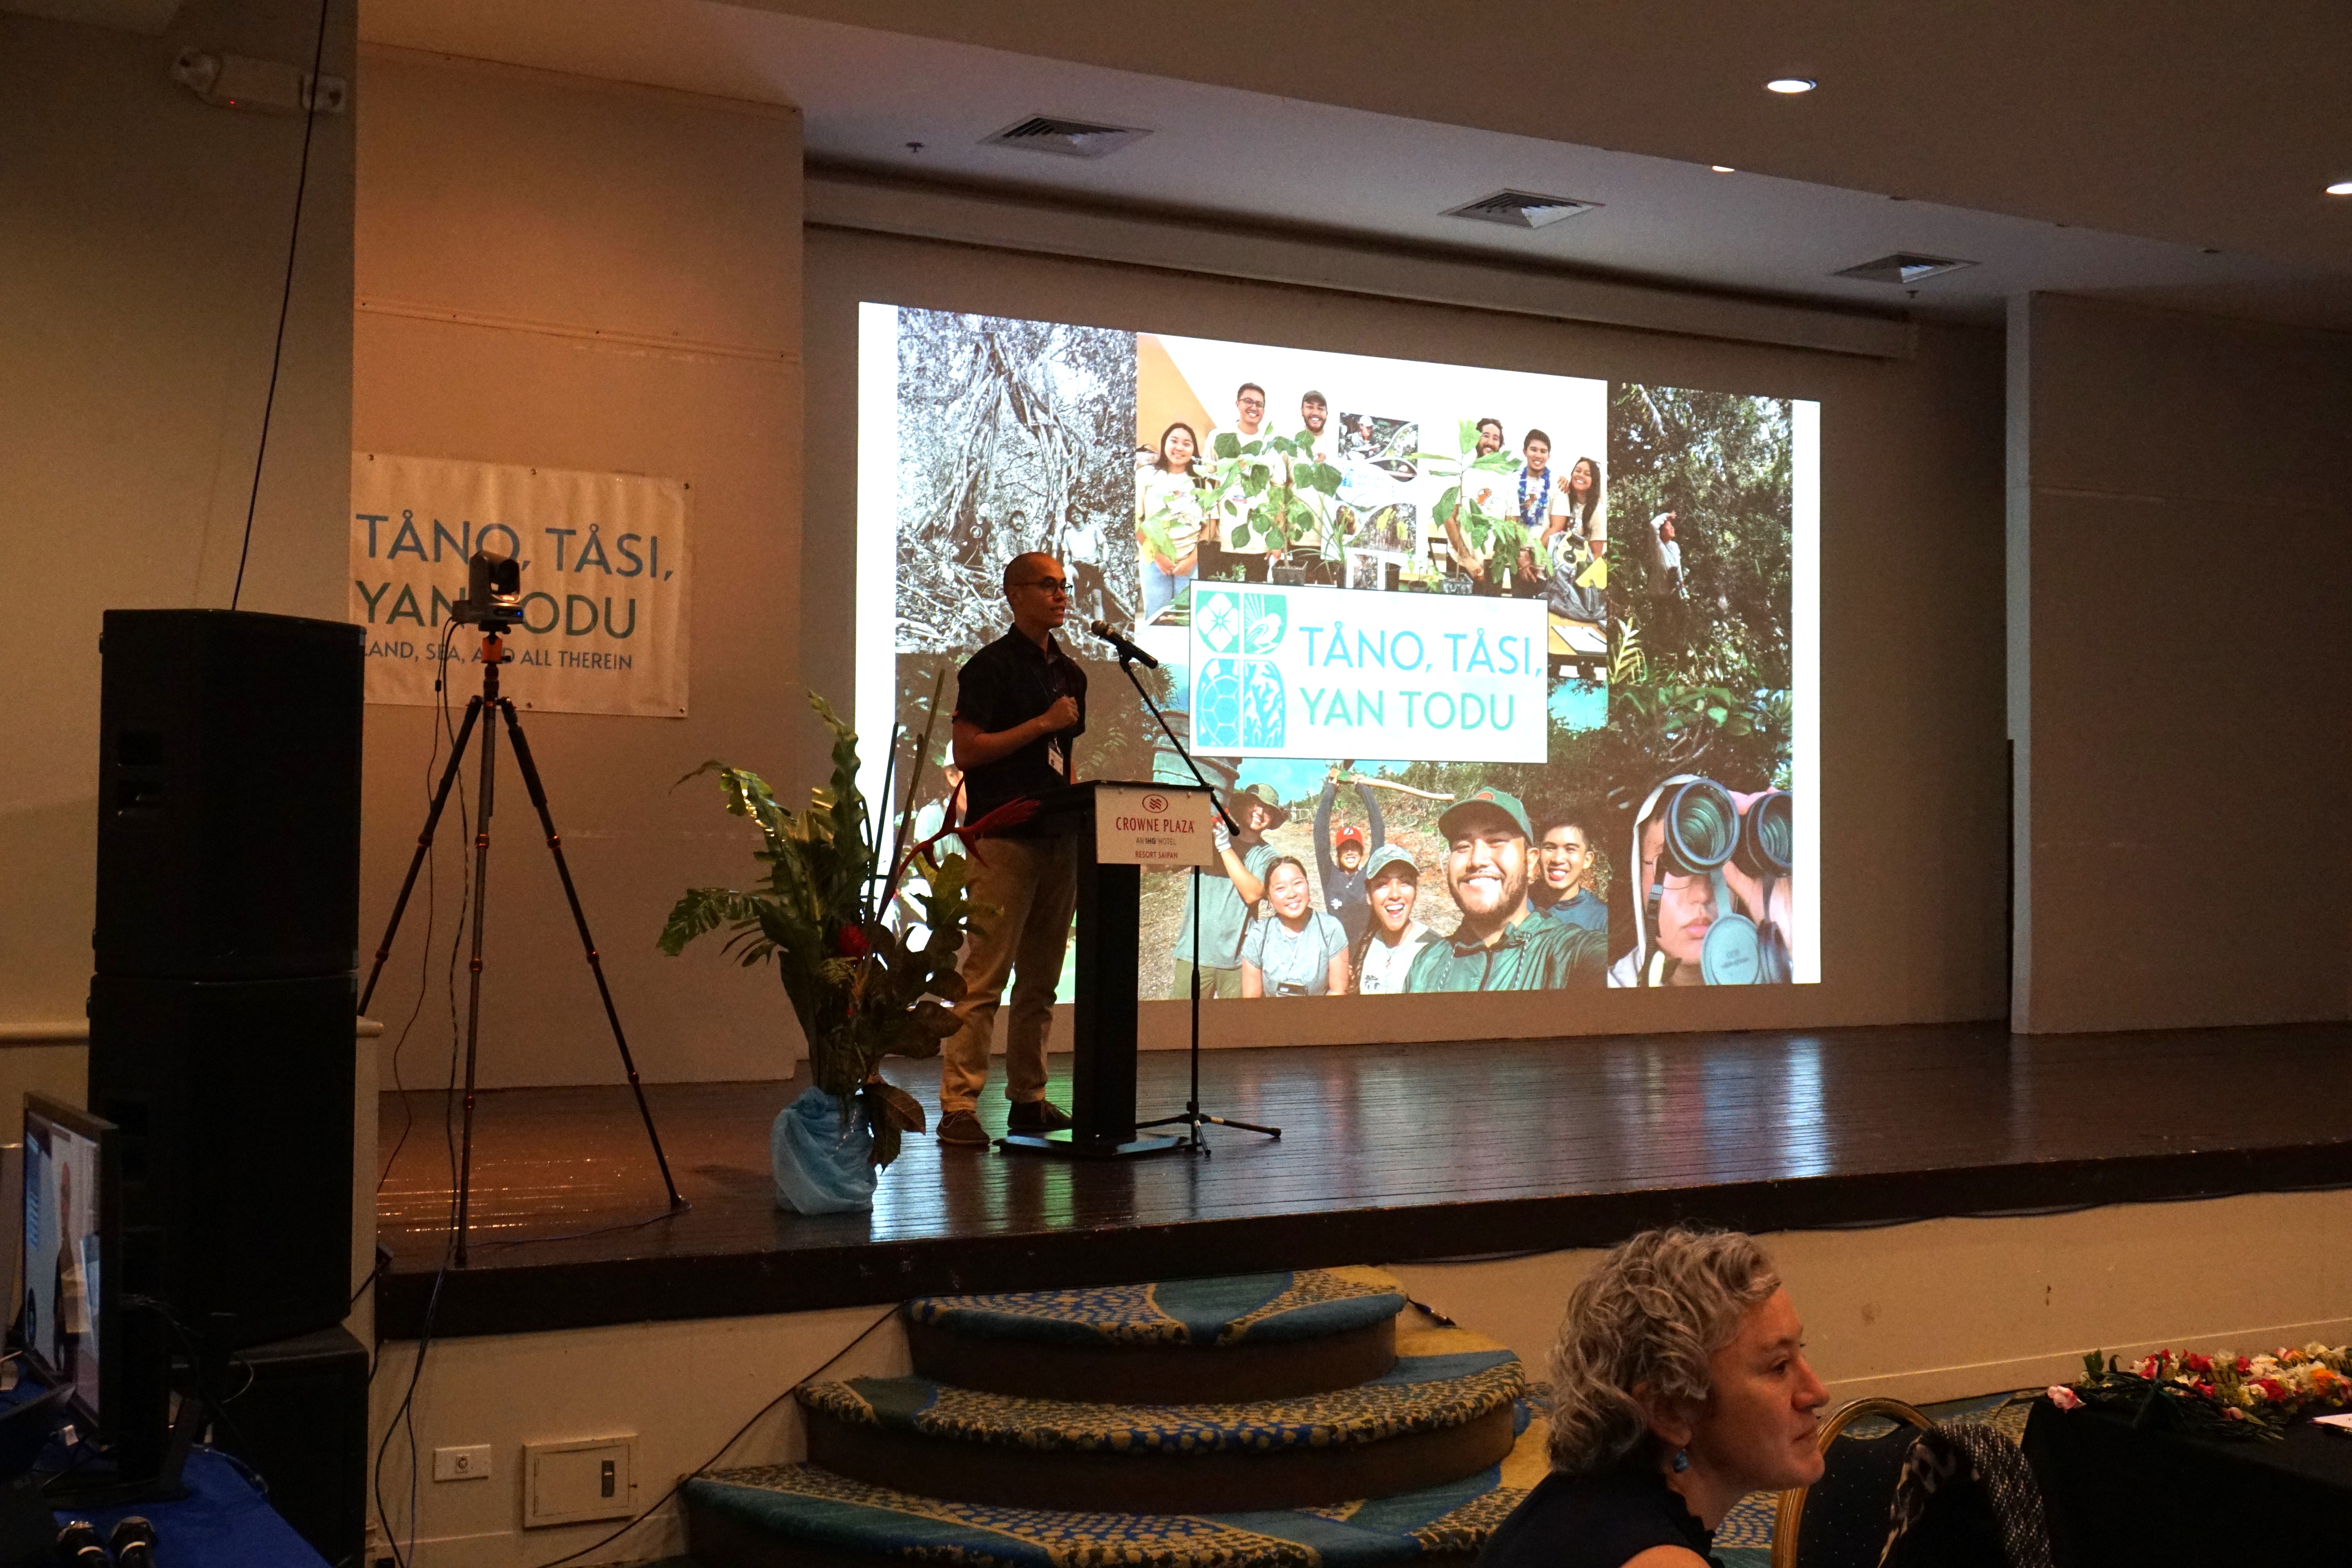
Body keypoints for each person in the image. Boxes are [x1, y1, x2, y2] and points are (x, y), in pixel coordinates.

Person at [1479, 1227, 1828, 1568]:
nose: (1817, 1393)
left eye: (1802, 1351)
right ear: (1670, 1412)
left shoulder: (1581, 1502)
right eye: (1779, 1367)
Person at [935, 553, 1087, 1147]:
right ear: (1015, 594)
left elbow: (1063, 758)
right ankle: (959, 1106)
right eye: (1047, 586)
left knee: (1043, 982)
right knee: (984, 978)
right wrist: (1042, 723)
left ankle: (1030, 1099)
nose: (1060, 595)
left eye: (1064, 586)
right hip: (1003, 839)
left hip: (1058, 838)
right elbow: (968, 752)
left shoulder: (1072, 673)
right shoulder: (989, 668)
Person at [1404, 787, 1605, 990]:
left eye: (1496, 842)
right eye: (1463, 846)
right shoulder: (1426, 965)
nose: (1476, 860)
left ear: (1531, 860)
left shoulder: (1567, 953)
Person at [1608, 786, 1793, 988]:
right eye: (1673, 863)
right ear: (1637, 877)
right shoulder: (1608, 993)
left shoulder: (1793, 973)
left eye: (1718, 862)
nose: (1703, 894)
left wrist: (1795, 941)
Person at [1170, 782, 1284, 999]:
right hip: (1194, 951)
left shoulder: (1268, 855)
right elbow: (1166, 864)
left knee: (1234, 1027)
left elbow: (1253, 893)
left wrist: (1224, 846)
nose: (1260, 812)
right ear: (1241, 807)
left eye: (1268, 810)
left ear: (1272, 820)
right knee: (1180, 1023)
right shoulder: (1208, 838)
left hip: (1238, 959)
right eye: (1254, 804)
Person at [1241, 856, 1350, 996]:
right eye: (1280, 888)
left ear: (1308, 885)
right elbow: (1251, 1000)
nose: (1292, 894)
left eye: (1298, 883)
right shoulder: (1258, 936)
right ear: (1269, 896)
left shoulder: (1331, 929)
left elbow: (1338, 991)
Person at [1136, 421, 1211, 620]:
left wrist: (1191, 561)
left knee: (1185, 621)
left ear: (1194, 450)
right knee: (1156, 619)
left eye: (1187, 444)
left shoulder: (1201, 481)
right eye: (1174, 441)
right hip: (1154, 560)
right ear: (1165, 443)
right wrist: (1159, 558)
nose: (1179, 448)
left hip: (1190, 562)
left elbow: (1209, 527)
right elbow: (1136, 521)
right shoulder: (1146, 475)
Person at [1350, 844, 1438, 995]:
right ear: (1368, 896)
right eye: (1383, 885)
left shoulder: (1435, 951)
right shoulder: (1364, 947)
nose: (1395, 895)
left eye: (1405, 883)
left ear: (1415, 891)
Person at [1212, 382, 1277, 583]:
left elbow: (1278, 490)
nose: (1254, 408)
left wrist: (1275, 540)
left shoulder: (1271, 444)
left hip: (1259, 542)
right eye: (1248, 401)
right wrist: (1208, 534)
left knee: (1253, 605)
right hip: (1223, 540)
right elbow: (1208, 483)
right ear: (1238, 404)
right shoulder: (1219, 437)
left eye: (1259, 404)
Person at [1313, 769, 1388, 944]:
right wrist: (1331, 790)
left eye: (1355, 847)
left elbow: (1379, 829)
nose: (1350, 852)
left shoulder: (1370, 874)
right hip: (1339, 954)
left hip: (1367, 954)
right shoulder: (1330, 876)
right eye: (1345, 848)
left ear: (1362, 852)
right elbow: (1320, 833)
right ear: (1338, 854)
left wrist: (1363, 790)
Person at [1545, 456, 1608, 622]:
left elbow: (1596, 556)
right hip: (1556, 574)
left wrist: (1581, 590)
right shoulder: (1565, 497)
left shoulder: (1597, 512)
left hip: (1576, 582)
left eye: (1587, 474)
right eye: (1578, 471)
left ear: (1594, 481)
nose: (1581, 476)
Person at [1531, 811, 1608, 933]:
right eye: (1550, 848)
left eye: (1570, 850)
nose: (1558, 859)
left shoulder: (1602, 919)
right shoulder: (1519, 903)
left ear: (1587, 860)